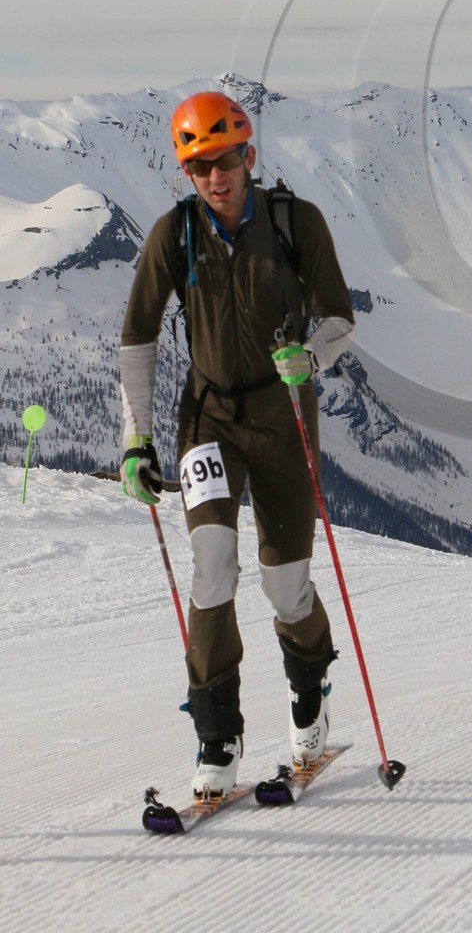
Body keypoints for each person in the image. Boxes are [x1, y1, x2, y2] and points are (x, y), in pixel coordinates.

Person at [118, 90, 356, 798]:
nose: (215, 178)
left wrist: (310, 358)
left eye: (225, 161)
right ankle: (216, 737)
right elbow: (137, 339)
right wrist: (137, 440)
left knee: (287, 588)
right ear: (187, 173)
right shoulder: (175, 233)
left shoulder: (294, 222)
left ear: (249, 155)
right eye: (199, 167)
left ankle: (308, 690)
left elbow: (340, 317)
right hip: (209, 416)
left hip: (285, 418)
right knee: (212, 565)